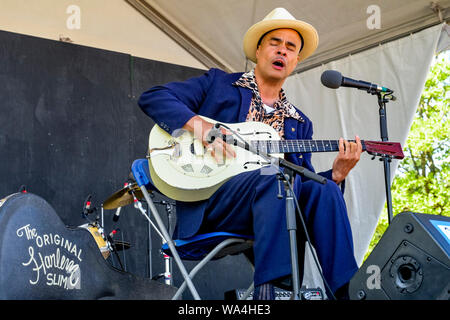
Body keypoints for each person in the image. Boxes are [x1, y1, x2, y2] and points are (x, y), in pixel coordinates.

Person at [138, 8, 362, 300]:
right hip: (214, 202)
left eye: (290, 47)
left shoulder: (299, 122)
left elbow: (302, 186)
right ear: (258, 50)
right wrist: (199, 126)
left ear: (295, 61)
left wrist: (335, 175)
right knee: (275, 176)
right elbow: (153, 97)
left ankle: (350, 293)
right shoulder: (219, 85)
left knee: (325, 190)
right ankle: (273, 290)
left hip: (272, 209)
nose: (282, 51)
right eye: (274, 43)